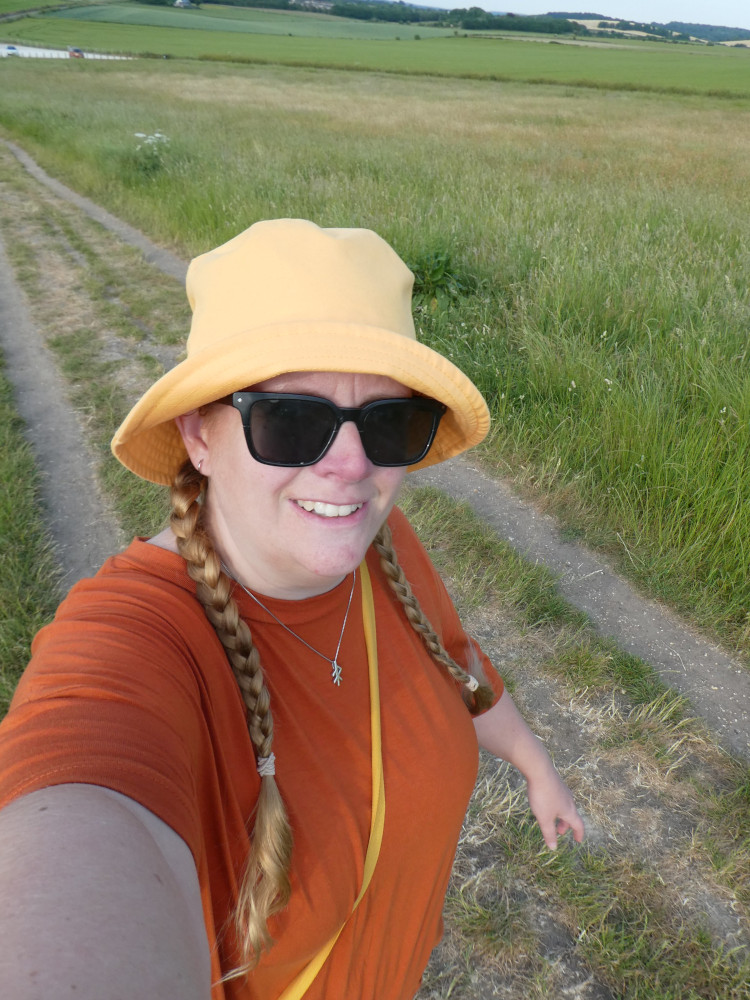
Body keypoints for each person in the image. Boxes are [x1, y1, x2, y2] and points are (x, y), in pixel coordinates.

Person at [0, 219, 584, 1000]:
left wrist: (536, 766)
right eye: (289, 421)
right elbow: (78, 799)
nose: (350, 466)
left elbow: (455, 661)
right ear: (197, 436)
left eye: (389, 423)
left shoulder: (383, 545)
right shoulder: (143, 640)